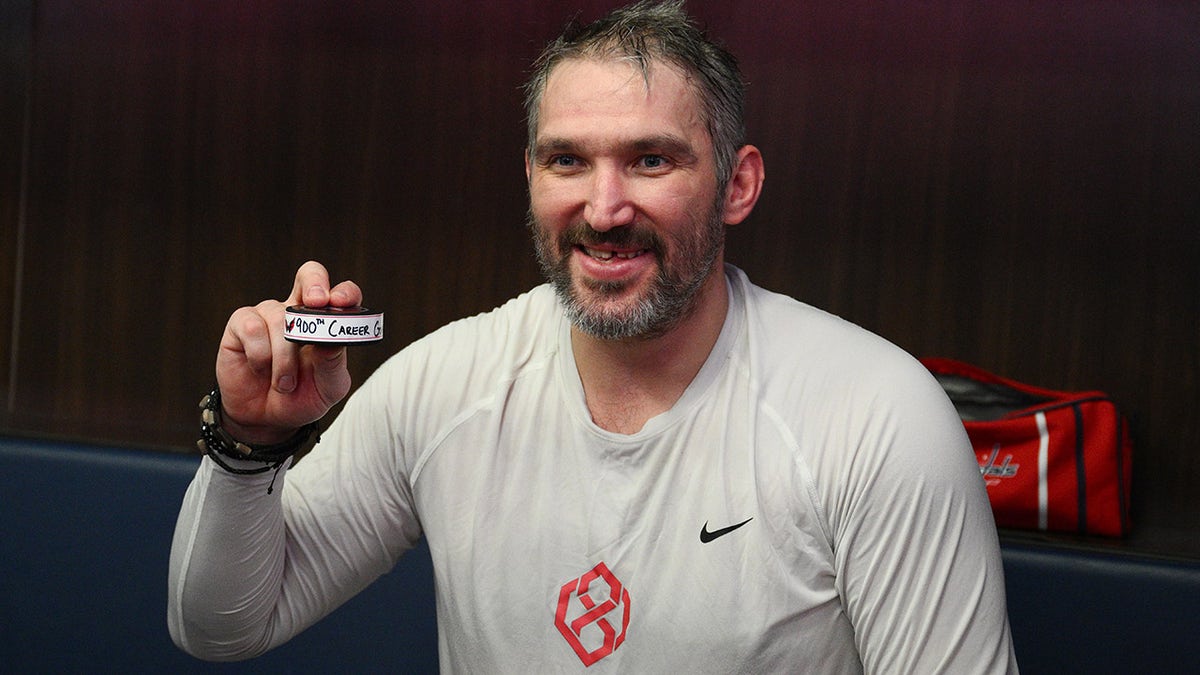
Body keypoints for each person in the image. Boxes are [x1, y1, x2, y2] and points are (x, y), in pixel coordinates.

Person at [169, 1, 1018, 671]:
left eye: (651, 161)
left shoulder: (873, 416)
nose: (604, 210)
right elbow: (222, 626)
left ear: (738, 183)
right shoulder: (451, 386)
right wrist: (251, 442)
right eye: (568, 160)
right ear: (532, 175)